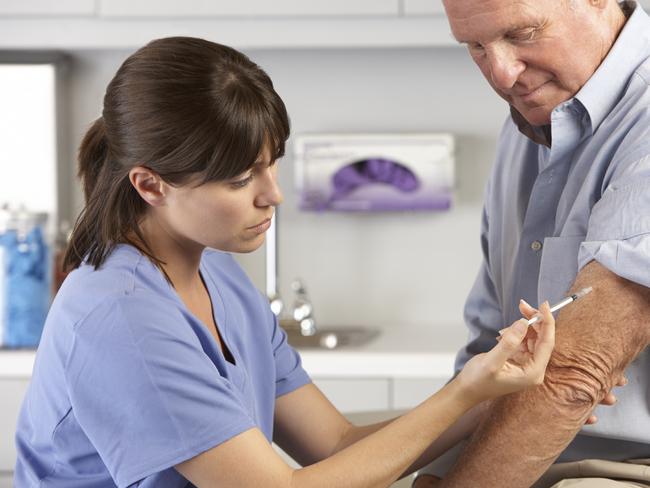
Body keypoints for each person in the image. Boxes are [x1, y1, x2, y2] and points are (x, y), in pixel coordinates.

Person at [13, 37, 556, 488]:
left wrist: (493, 396)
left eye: (271, 166)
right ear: (150, 184)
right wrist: (466, 391)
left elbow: (335, 447)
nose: (273, 195)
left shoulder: (217, 274)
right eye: (240, 178)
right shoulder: (122, 317)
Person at [414, 0, 650, 487]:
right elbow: (488, 351)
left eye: (522, 34)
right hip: (528, 458)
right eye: (476, 47)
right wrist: (439, 472)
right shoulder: (527, 124)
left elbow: (573, 376)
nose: (501, 74)